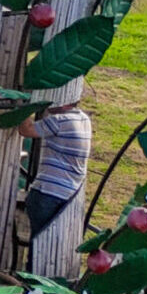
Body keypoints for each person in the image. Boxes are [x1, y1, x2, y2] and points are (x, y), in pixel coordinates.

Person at [16, 98, 91, 240]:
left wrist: (24, 106)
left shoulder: (60, 120)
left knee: (39, 242)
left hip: (48, 193)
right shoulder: (84, 119)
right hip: (68, 194)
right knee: (50, 244)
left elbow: (25, 129)